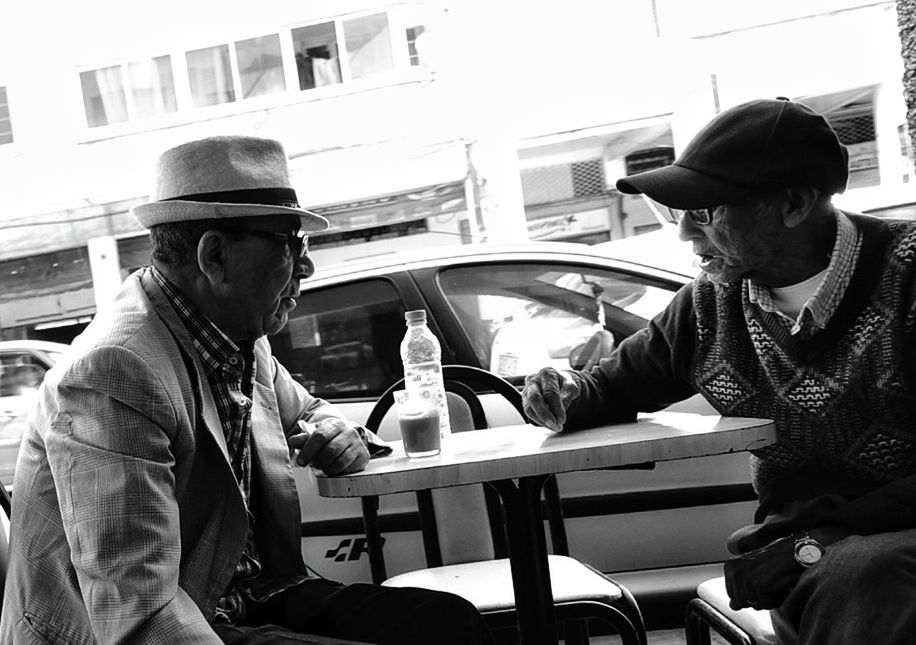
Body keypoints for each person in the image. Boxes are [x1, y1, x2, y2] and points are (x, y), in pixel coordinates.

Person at [0, 135, 493, 645]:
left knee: (446, 623)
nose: (306, 266)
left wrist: (336, 433)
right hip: (153, 624)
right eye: (290, 243)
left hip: (245, 597)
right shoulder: (113, 372)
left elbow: (312, 411)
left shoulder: (236, 335)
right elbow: (139, 614)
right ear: (214, 255)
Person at [522, 98, 916, 644]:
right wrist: (561, 392)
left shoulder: (909, 274)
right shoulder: (711, 305)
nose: (684, 233)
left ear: (795, 203)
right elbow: (609, 388)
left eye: (704, 211)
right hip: (802, 554)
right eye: (675, 213)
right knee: (855, 576)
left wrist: (821, 540)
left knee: (869, 574)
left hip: (866, 548)